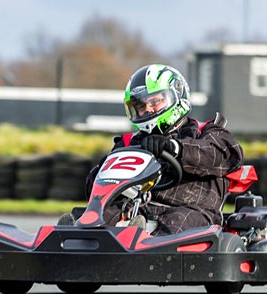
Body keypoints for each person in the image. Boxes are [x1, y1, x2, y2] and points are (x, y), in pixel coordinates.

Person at [85, 64, 243, 236]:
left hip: (192, 212)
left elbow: (227, 155)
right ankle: (79, 239)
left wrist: (176, 148)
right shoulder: (129, 143)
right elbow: (97, 187)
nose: (147, 109)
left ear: (176, 95)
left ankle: (144, 249)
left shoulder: (207, 132)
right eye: (140, 106)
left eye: (154, 101)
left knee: (175, 223)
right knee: (103, 216)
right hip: (139, 209)